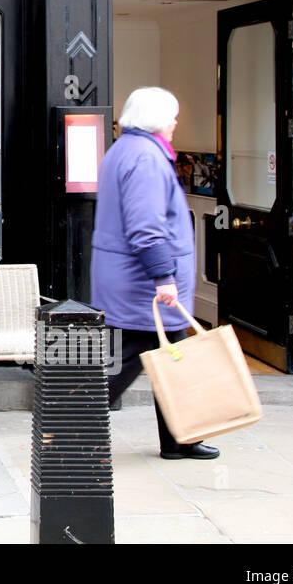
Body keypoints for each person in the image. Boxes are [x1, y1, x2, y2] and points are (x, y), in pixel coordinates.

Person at [91, 86, 219, 460]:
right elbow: (146, 227)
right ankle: (68, 429)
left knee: (173, 360)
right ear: (156, 120)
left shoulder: (126, 150)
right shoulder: (146, 158)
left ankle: (181, 439)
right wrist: (164, 277)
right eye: (172, 116)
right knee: (121, 368)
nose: (176, 122)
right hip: (142, 288)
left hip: (133, 284)